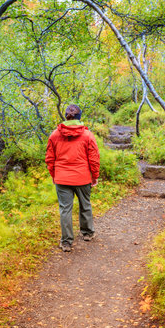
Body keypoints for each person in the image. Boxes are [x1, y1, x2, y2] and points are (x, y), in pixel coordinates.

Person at [45, 104, 100, 252]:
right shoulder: (88, 135)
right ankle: (88, 233)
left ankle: (67, 242)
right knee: (85, 205)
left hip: (62, 178)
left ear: (66, 117)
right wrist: (94, 176)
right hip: (82, 177)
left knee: (65, 210)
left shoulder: (55, 135)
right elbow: (94, 159)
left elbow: (50, 159)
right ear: (79, 117)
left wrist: (54, 175)